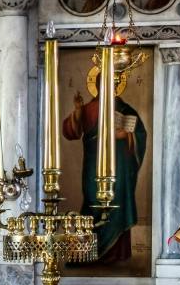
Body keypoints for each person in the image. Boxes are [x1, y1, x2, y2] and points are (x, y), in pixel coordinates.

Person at [62, 67, 148, 265]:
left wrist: (127, 135)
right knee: (93, 202)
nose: (110, 87)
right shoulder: (88, 109)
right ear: (99, 86)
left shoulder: (126, 110)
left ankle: (117, 253)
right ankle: (87, 251)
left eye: (114, 84)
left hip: (121, 169)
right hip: (94, 167)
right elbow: (71, 132)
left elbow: (140, 134)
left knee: (118, 203)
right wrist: (77, 111)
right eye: (105, 84)